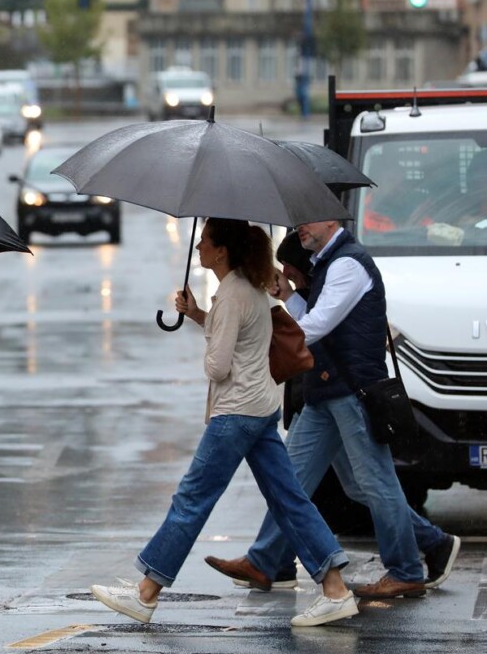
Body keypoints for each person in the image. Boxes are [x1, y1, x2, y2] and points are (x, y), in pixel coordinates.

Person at [91, 219, 358, 628]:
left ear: (221, 251)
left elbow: (218, 366)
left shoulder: (232, 293)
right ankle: (335, 589)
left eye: (204, 243)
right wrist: (199, 313)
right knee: (290, 500)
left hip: (236, 412)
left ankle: (145, 594)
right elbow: (246, 337)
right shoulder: (248, 286)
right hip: (261, 406)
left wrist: (210, 338)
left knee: (192, 499)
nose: (198, 249)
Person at [205, 219, 460, 599]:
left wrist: (256, 331)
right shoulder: (327, 262)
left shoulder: (347, 264)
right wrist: (287, 295)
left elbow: (317, 326)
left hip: (352, 392)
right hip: (325, 392)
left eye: (307, 221)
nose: (300, 229)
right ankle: (266, 561)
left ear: (332, 220)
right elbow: (317, 318)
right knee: (291, 479)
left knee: (375, 483)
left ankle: (406, 569)